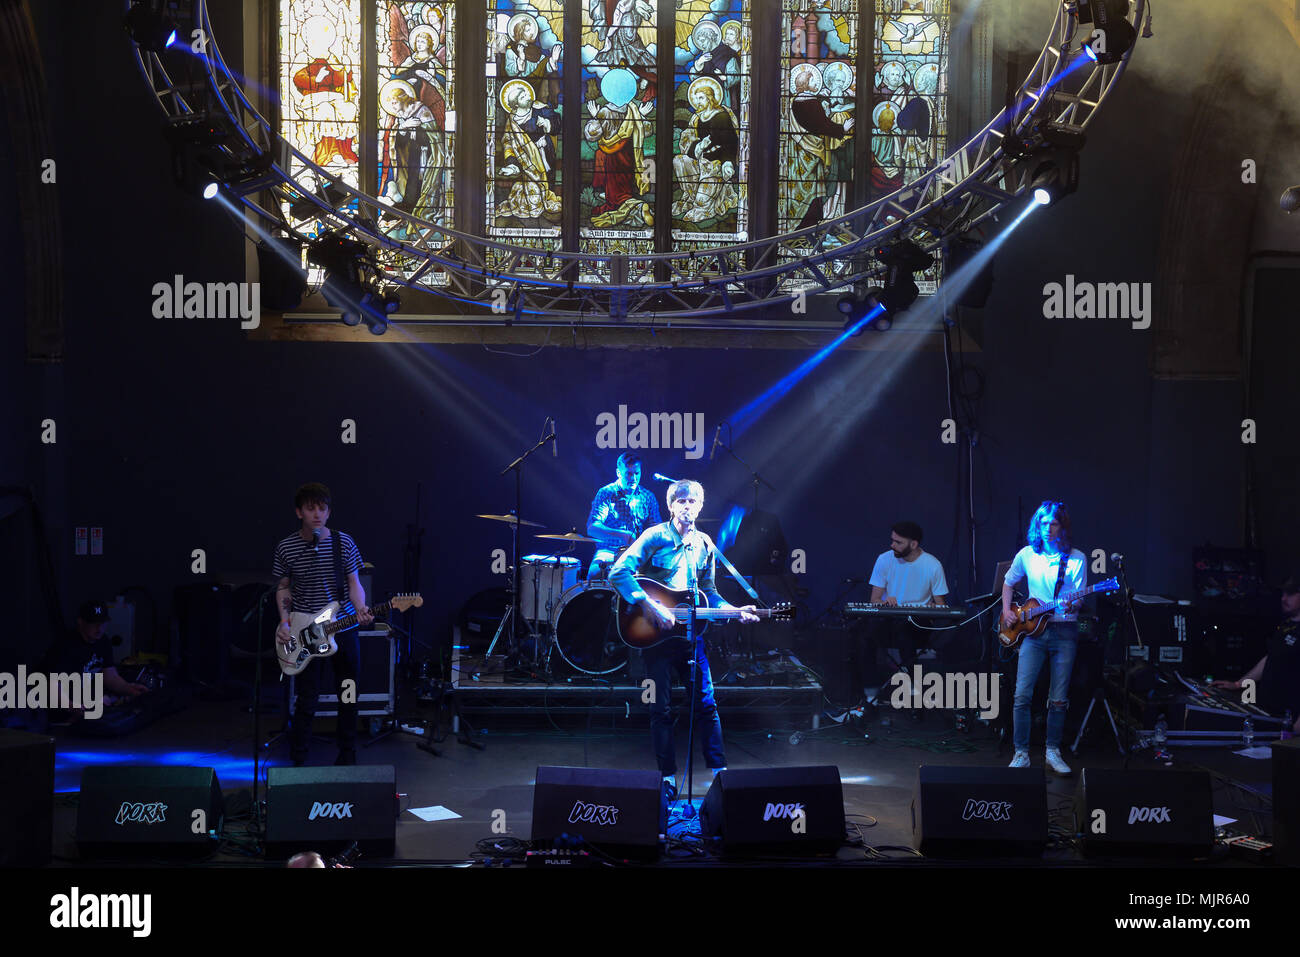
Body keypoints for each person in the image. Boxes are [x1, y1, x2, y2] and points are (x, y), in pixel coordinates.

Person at [609, 479, 757, 796]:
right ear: (671, 505)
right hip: (656, 638)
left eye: (693, 501)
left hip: (691, 638)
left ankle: (720, 774)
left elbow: (712, 594)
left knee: (706, 703)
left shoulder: (705, 544)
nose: (687, 506)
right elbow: (617, 571)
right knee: (660, 708)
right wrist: (650, 605)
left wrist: (733, 610)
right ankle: (666, 776)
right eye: (681, 501)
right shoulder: (654, 536)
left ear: (700, 506)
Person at [273, 483, 373, 767]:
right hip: (306, 629)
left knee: (348, 690)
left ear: (329, 512)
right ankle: (299, 759)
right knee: (307, 698)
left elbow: (354, 584)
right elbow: (283, 588)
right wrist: (283, 622)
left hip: (343, 626)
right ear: (299, 512)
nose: (317, 514)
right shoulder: (287, 547)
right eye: (310, 508)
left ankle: (347, 755)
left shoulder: (344, 542)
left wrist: (362, 608)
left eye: (322, 508)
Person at [1002, 501, 1087, 775]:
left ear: (1063, 527)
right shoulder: (1027, 554)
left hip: (1064, 631)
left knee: (1058, 698)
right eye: (1043, 523)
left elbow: (1077, 601)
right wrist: (1007, 612)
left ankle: (1052, 751)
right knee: (1022, 695)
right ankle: (1021, 753)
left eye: (1053, 523)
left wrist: (1072, 605)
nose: (1047, 529)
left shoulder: (1077, 558)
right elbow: (1008, 582)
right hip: (1032, 633)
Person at [1211, 576, 1300, 734]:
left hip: (1290, 719)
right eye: (1283, 594)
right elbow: (1271, 658)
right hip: (1269, 712)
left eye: (1291, 594)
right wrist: (1238, 684)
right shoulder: (1287, 625)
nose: (1284, 599)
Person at [44, 600, 149, 716]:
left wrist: (129, 688)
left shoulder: (103, 642)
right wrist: (69, 705)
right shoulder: (65, 646)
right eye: (94, 624)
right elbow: (53, 685)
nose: (100, 628)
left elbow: (111, 677)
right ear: (81, 622)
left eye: (103, 623)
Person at [585, 452, 661, 579]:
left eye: (637, 473)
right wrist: (622, 535)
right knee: (595, 573)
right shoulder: (606, 493)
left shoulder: (648, 496)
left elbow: (657, 529)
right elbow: (592, 528)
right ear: (618, 473)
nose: (634, 478)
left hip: (637, 552)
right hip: (609, 551)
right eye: (629, 474)